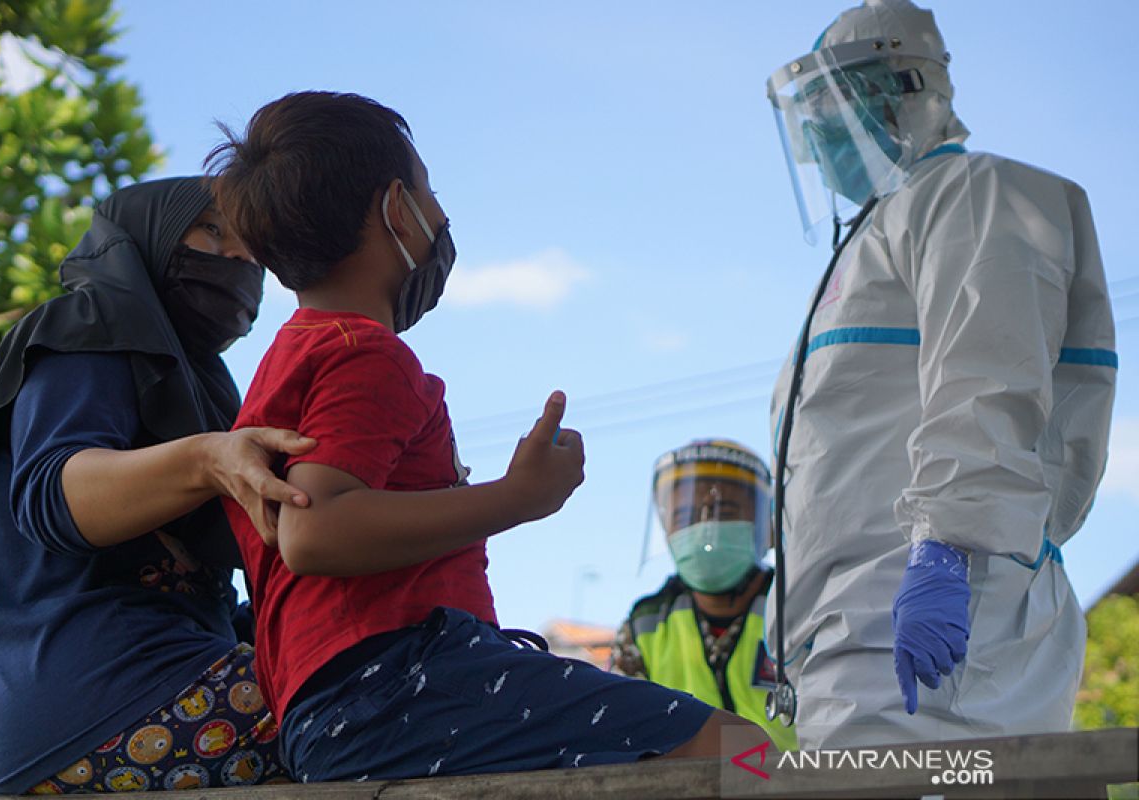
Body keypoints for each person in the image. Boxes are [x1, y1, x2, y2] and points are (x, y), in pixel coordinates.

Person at [209, 90, 770, 783]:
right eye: (430, 191)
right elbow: (314, 530)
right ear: (395, 208)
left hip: (334, 706)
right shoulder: (366, 354)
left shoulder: (289, 358)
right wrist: (519, 497)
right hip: (397, 686)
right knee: (745, 751)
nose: (441, 215)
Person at [762, 0, 1116, 748]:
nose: (815, 140)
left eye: (828, 104)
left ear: (899, 87)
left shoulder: (973, 196)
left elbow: (986, 383)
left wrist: (943, 552)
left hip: (945, 620)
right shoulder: (873, 240)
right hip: (849, 639)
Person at [0, 177, 316, 793]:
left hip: (103, 704)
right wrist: (206, 460)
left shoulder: (199, 386)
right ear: (148, 238)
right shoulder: (90, 327)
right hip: (88, 702)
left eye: (251, 248)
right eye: (213, 231)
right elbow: (55, 497)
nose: (238, 258)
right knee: (373, 698)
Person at [610, 439, 796, 751]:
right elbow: (620, 732)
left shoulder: (798, 605)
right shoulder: (645, 626)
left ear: (767, 525)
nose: (705, 525)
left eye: (725, 510)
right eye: (684, 515)